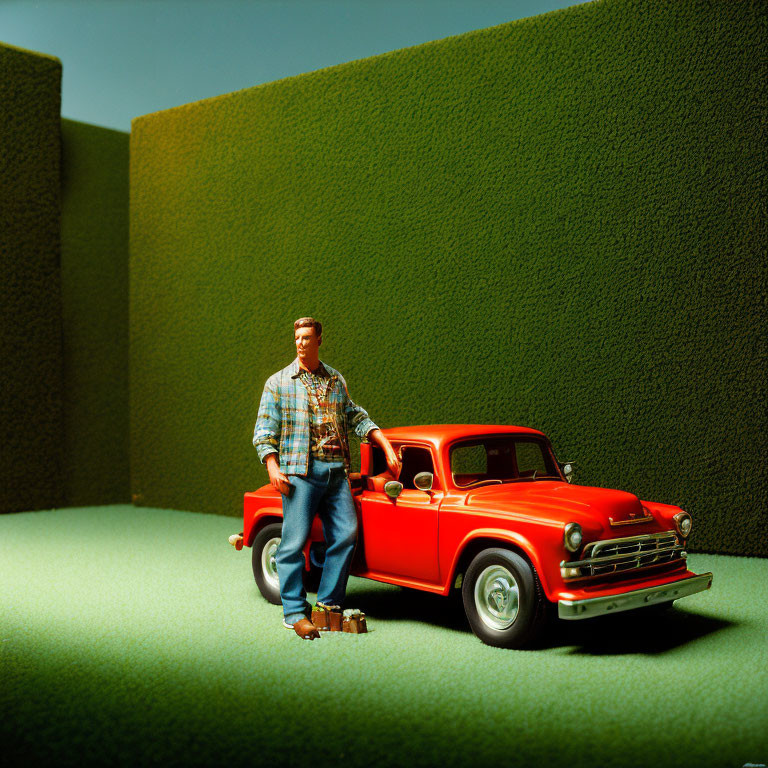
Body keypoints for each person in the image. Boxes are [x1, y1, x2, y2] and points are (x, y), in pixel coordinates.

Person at [253, 317, 400, 639]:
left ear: (319, 339)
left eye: (307, 337)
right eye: (297, 338)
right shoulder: (278, 382)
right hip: (300, 472)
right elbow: (264, 432)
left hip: (336, 472)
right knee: (293, 542)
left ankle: (328, 606)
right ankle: (293, 612)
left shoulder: (335, 379)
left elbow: (355, 416)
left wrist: (385, 445)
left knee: (346, 535)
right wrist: (273, 468)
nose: (301, 343)